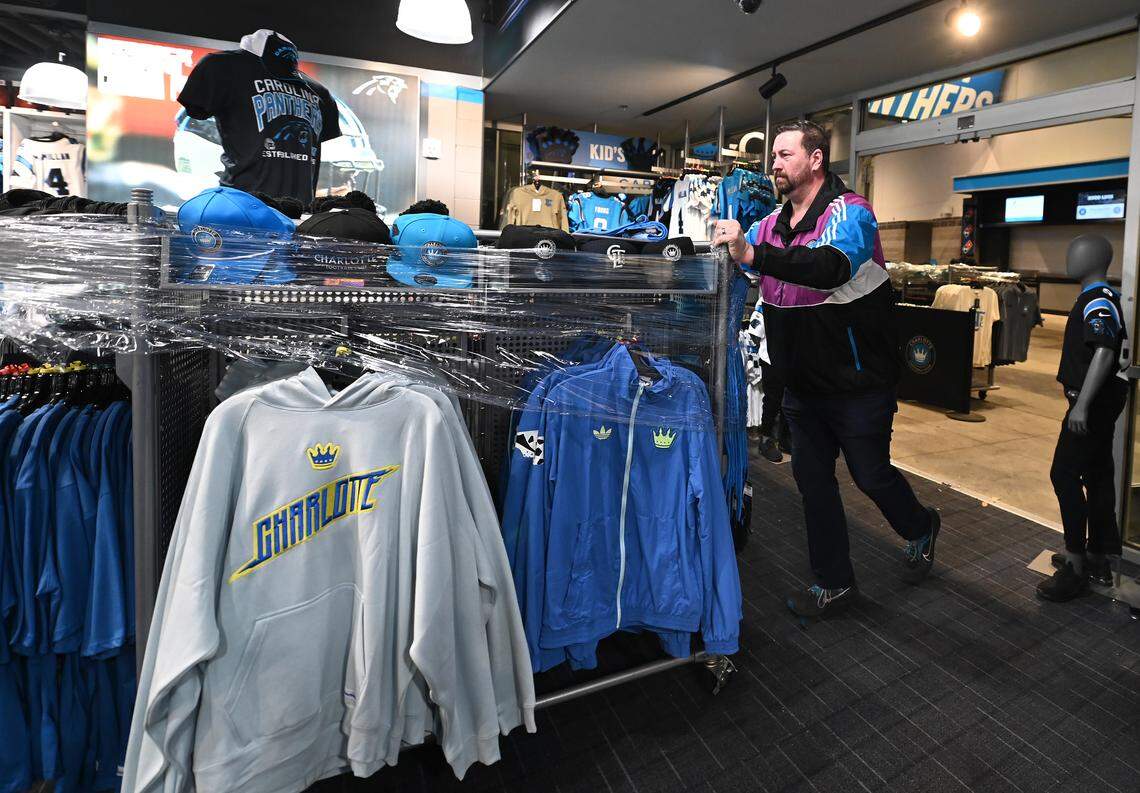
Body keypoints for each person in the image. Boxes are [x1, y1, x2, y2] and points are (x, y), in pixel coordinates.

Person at [711, 120, 939, 619]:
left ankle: (921, 525)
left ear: (815, 159)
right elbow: (740, 264)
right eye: (773, 155)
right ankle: (835, 582)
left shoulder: (851, 214)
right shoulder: (769, 225)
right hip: (805, 389)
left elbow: (829, 266)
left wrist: (754, 254)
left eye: (785, 154)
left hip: (859, 384)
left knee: (870, 475)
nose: (774, 164)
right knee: (813, 484)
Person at [1039, 234, 1127, 601]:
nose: (1069, 257)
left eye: (1075, 252)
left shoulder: (1097, 302)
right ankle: (1098, 556)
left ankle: (1075, 564)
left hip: (1092, 404)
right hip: (1103, 403)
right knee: (1097, 476)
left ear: (1093, 260)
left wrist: (1082, 405)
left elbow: (1104, 352)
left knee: (1063, 474)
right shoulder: (1103, 298)